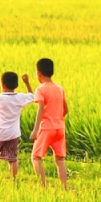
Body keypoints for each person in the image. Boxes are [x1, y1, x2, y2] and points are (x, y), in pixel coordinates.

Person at [29, 58, 69, 189]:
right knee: (60, 160)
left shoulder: (40, 89)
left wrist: (35, 130)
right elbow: (66, 109)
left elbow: (40, 109)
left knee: (36, 157)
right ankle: (64, 187)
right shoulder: (59, 88)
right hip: (60, 128)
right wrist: (57, 118)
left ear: (38, 73)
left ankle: (43, 186)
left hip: (47, 128)